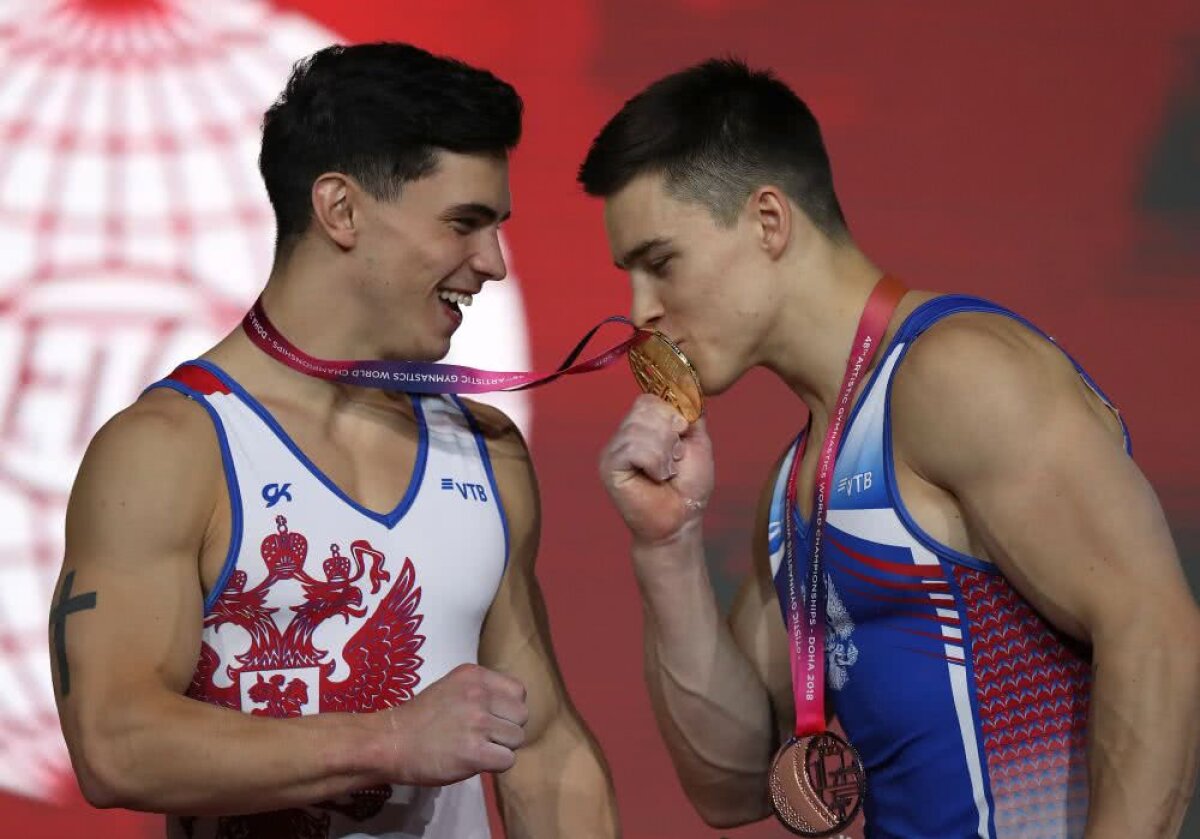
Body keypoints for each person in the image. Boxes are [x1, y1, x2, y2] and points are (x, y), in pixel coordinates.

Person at [580, 57, 1200, 838]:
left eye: (660, 263)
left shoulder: (957, 374)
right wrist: (665, 546)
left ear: (768, 221)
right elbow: (732, 786)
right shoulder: (797, 479)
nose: (641, 310)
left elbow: (1155, 630)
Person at [50, 42, 618, 839]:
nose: (491, 262)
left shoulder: (484, 449)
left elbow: (543, 747)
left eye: (497, 228)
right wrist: (388, 740)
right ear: (341, 209)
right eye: (464, 223)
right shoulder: (170, 448)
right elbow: (115, 744)